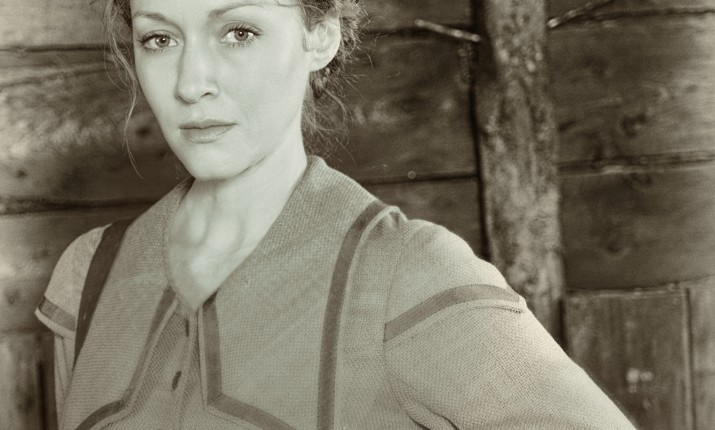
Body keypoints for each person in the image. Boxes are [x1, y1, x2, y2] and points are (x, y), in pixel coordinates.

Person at [35, 0, 637, 429]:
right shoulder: (89, 273)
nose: (191, 83)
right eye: (159, 39)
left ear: (318, 36)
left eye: (239, 31)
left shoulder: (405, 275)